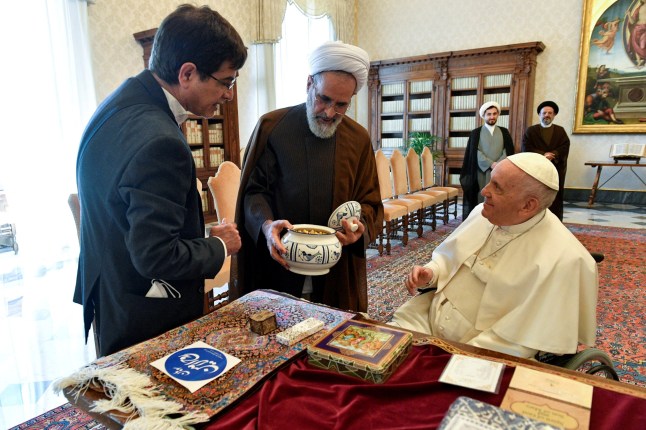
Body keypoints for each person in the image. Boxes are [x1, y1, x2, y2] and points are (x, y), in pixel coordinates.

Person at [74, 5, 246, 357]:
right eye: (226, 81)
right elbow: (156, 255)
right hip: (146, 311)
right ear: (187, 73)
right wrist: (218, 245)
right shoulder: (161, 143)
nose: (229, 94)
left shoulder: (117, 102)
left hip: (111, 290)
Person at [390, 153, 598, 359]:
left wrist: (459, 357)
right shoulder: (483, 212)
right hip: (424, 318)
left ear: (528, 205)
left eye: (497, 187)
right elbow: (450, 257)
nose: (484, 191)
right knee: (382, 351)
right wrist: (432, 273)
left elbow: (515, 340)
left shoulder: (564, 259)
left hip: (481, 349)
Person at [232, 41, 383, 313]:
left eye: (341, 105)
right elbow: (254, 192)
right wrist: (266, 226)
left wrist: (359, 228)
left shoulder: (359, 140)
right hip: (279, 264)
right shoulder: (272, 128)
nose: (330, 113)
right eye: (324, 99)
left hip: (336, 271)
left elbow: (371, 203)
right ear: (309, 84)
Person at [459, 101, 514, 220]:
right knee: (482, 196)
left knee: (499, 196)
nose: (492, 117)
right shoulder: (476, 133)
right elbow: (475, 152)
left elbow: (508, 150)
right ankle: (480, 220)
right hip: (481, 171)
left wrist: (498, 164)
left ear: (498, 115)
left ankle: (497, 219)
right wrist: (491, 163)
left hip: (500, 171)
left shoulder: (504, 132)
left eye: (494, 114)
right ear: (483, 116)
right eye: (489, 114)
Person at [521, 101, 570, 220]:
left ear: (554, 115)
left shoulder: (560, 131)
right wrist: (543, 154)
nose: (546, 115)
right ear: (539, 114)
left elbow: (565, 146)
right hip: (536, 170)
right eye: (544, 113)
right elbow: (526, 147)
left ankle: (554, 221)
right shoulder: (531, 131)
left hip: (555, 169)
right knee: (535, 194)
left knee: (554, 195)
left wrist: (554, 154)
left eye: (550, 113)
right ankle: (534, 219)